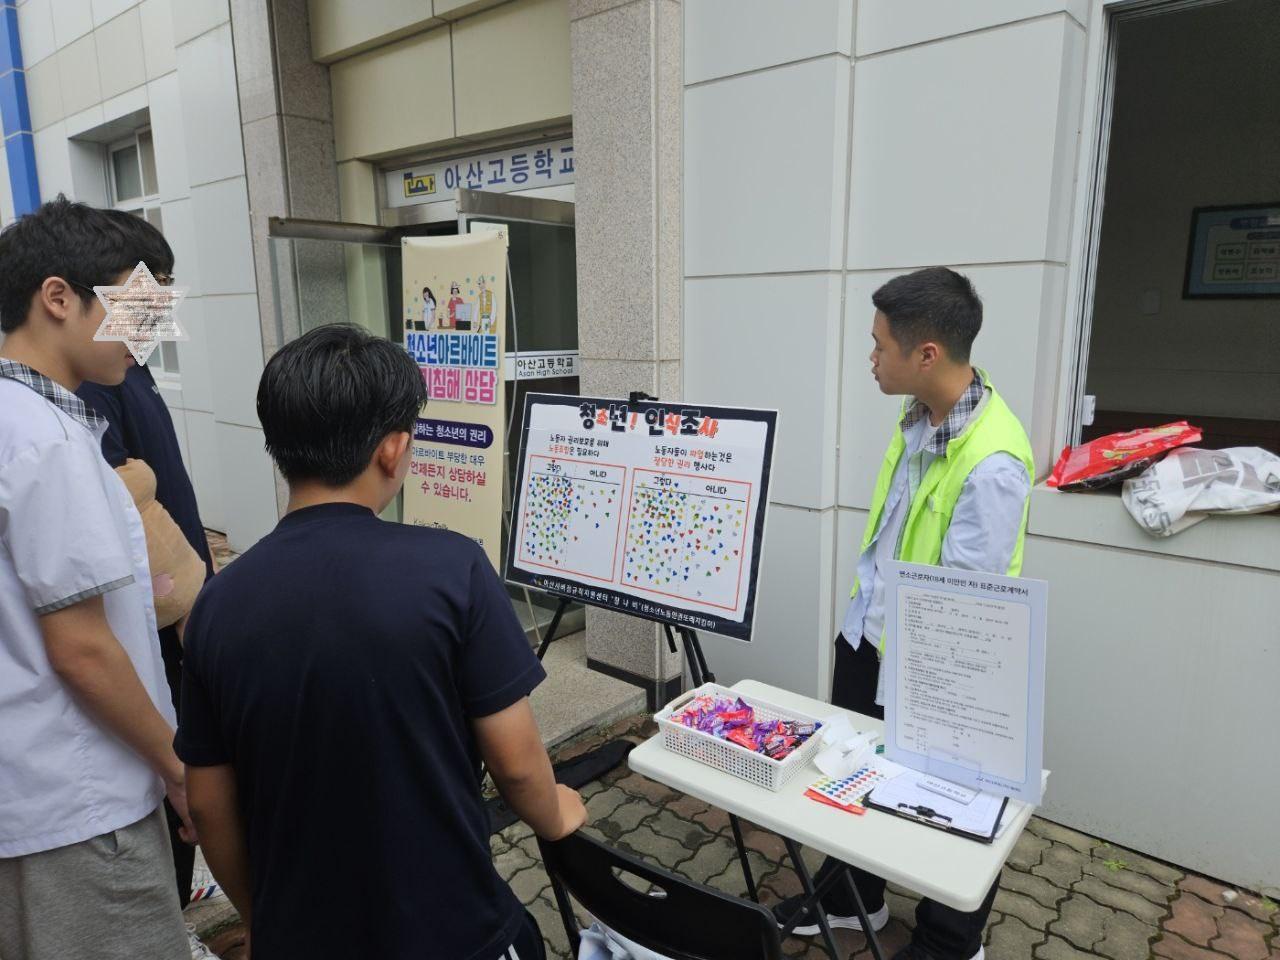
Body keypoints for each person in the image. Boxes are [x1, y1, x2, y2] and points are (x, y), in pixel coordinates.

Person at [176, 324, 587, 959]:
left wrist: (264, 918)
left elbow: (207, 804)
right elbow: (515, 763)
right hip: (454, 931)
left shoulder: (218, 604)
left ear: (278, 447)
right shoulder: (455, 570)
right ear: (393, 450)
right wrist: (557, 814)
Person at [776, 268, 1034, 960]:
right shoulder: (920, 416)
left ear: (926, 354)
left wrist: (927, 684)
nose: (870, 357)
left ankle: (952, 941)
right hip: (870, 634)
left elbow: (969, 605)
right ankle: (851, 897)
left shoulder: (993, 462)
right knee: (852, 774)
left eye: (879, 344)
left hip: (938, 662)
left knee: (950, 799)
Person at [0, 196, 193, 960]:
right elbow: (80, 648)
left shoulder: (33, 420)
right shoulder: (44, 440)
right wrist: (178, 771)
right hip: (82, 808)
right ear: (58, 298)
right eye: (138, 303)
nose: (146, 333)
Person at [75, 213, 219, 934]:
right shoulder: (94, 386)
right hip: (157, 623)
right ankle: (169, 918)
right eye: (150, 286)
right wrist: (197, 613)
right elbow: (134, 519)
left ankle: (181, 900)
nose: (161, 301)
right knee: (171, 775)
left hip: (180, 607)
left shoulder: (129, 365)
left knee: (183, 769)